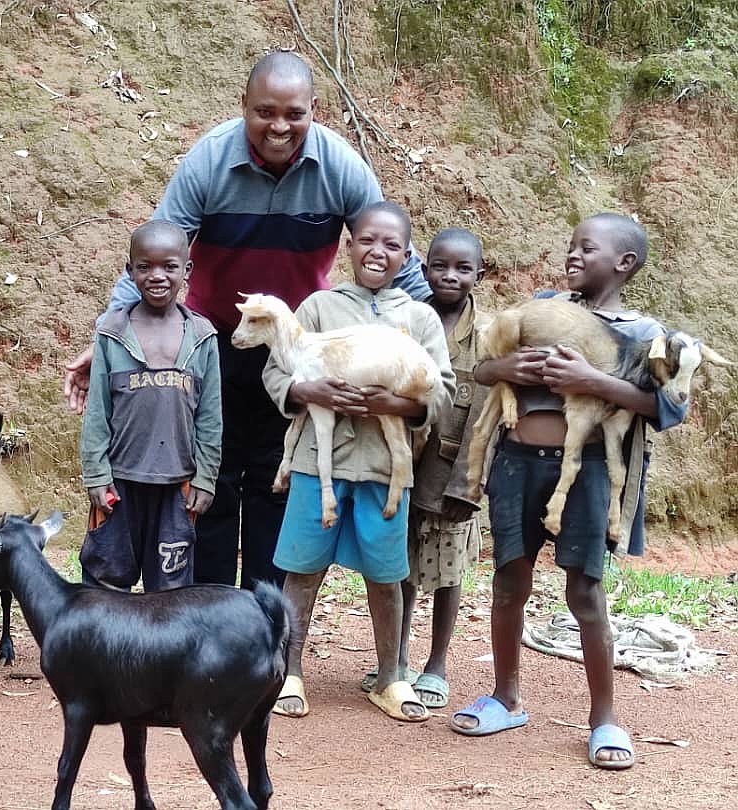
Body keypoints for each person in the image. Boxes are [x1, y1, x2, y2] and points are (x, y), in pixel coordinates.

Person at [64, 51, 429, 590]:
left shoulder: (340, 165)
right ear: (243, 108)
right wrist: (116, 333)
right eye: (265, 112)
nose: (279, 126)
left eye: (294, 114)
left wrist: (435, 341)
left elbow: (392, 250)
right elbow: (156, 252)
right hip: (212, 343)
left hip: (299, 352)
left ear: (313, 110)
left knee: (275, 482)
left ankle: (263, 624)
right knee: (209, 479)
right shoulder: (209, 162)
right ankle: (210, 618)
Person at [450, 213, 688, 770]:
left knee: (585, 593)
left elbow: (670, 407)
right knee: (509, 581)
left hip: (588, 476)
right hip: (515, 463)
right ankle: (506, 697)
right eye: (572, 246)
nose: (574, 255)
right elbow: (484, 372)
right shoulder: (544, 310)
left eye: (588, 248)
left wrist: (595, 382)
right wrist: (509, 366)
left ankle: (603, 717)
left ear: (624, 263)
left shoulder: (644, 334)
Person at [261, 202, 454, 721]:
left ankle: (391, 677)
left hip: (384, 470)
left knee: (386, 575)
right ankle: (288, 671)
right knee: (302, 570)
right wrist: (306, 389)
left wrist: (394, 404)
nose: (378, 252)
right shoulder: (319, 308)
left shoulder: (418, 318)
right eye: (368, 240)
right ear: (349, 247)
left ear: (407, 256)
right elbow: (276, 373)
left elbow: (442, 389)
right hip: (314, 465)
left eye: (392, 245)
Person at [359, 228, 490, 708]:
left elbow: (487, 417)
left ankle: (436, 665)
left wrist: (468, 485)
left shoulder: (487, 338)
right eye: (439, 266)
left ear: (481, 274)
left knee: (448, 573)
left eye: (462, 268)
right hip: (401, 467)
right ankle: (396, 660)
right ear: (423, 268)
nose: (449, 276)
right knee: (401, 569)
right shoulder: (409, 322)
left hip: (453, 475)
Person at [79, 220, 221, 591]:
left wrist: (205, 478)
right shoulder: (112, 333)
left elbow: (210, 417)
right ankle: (103, 651)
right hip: (119, 486)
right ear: (130, 270)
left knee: (171, 592)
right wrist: (97, 474)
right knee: (105, 582)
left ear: (186, 270)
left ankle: (162, 653)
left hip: (178, 487)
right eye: (145, 267)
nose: (157, 276)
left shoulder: (203, 337)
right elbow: (97, 412)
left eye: (169, 266)